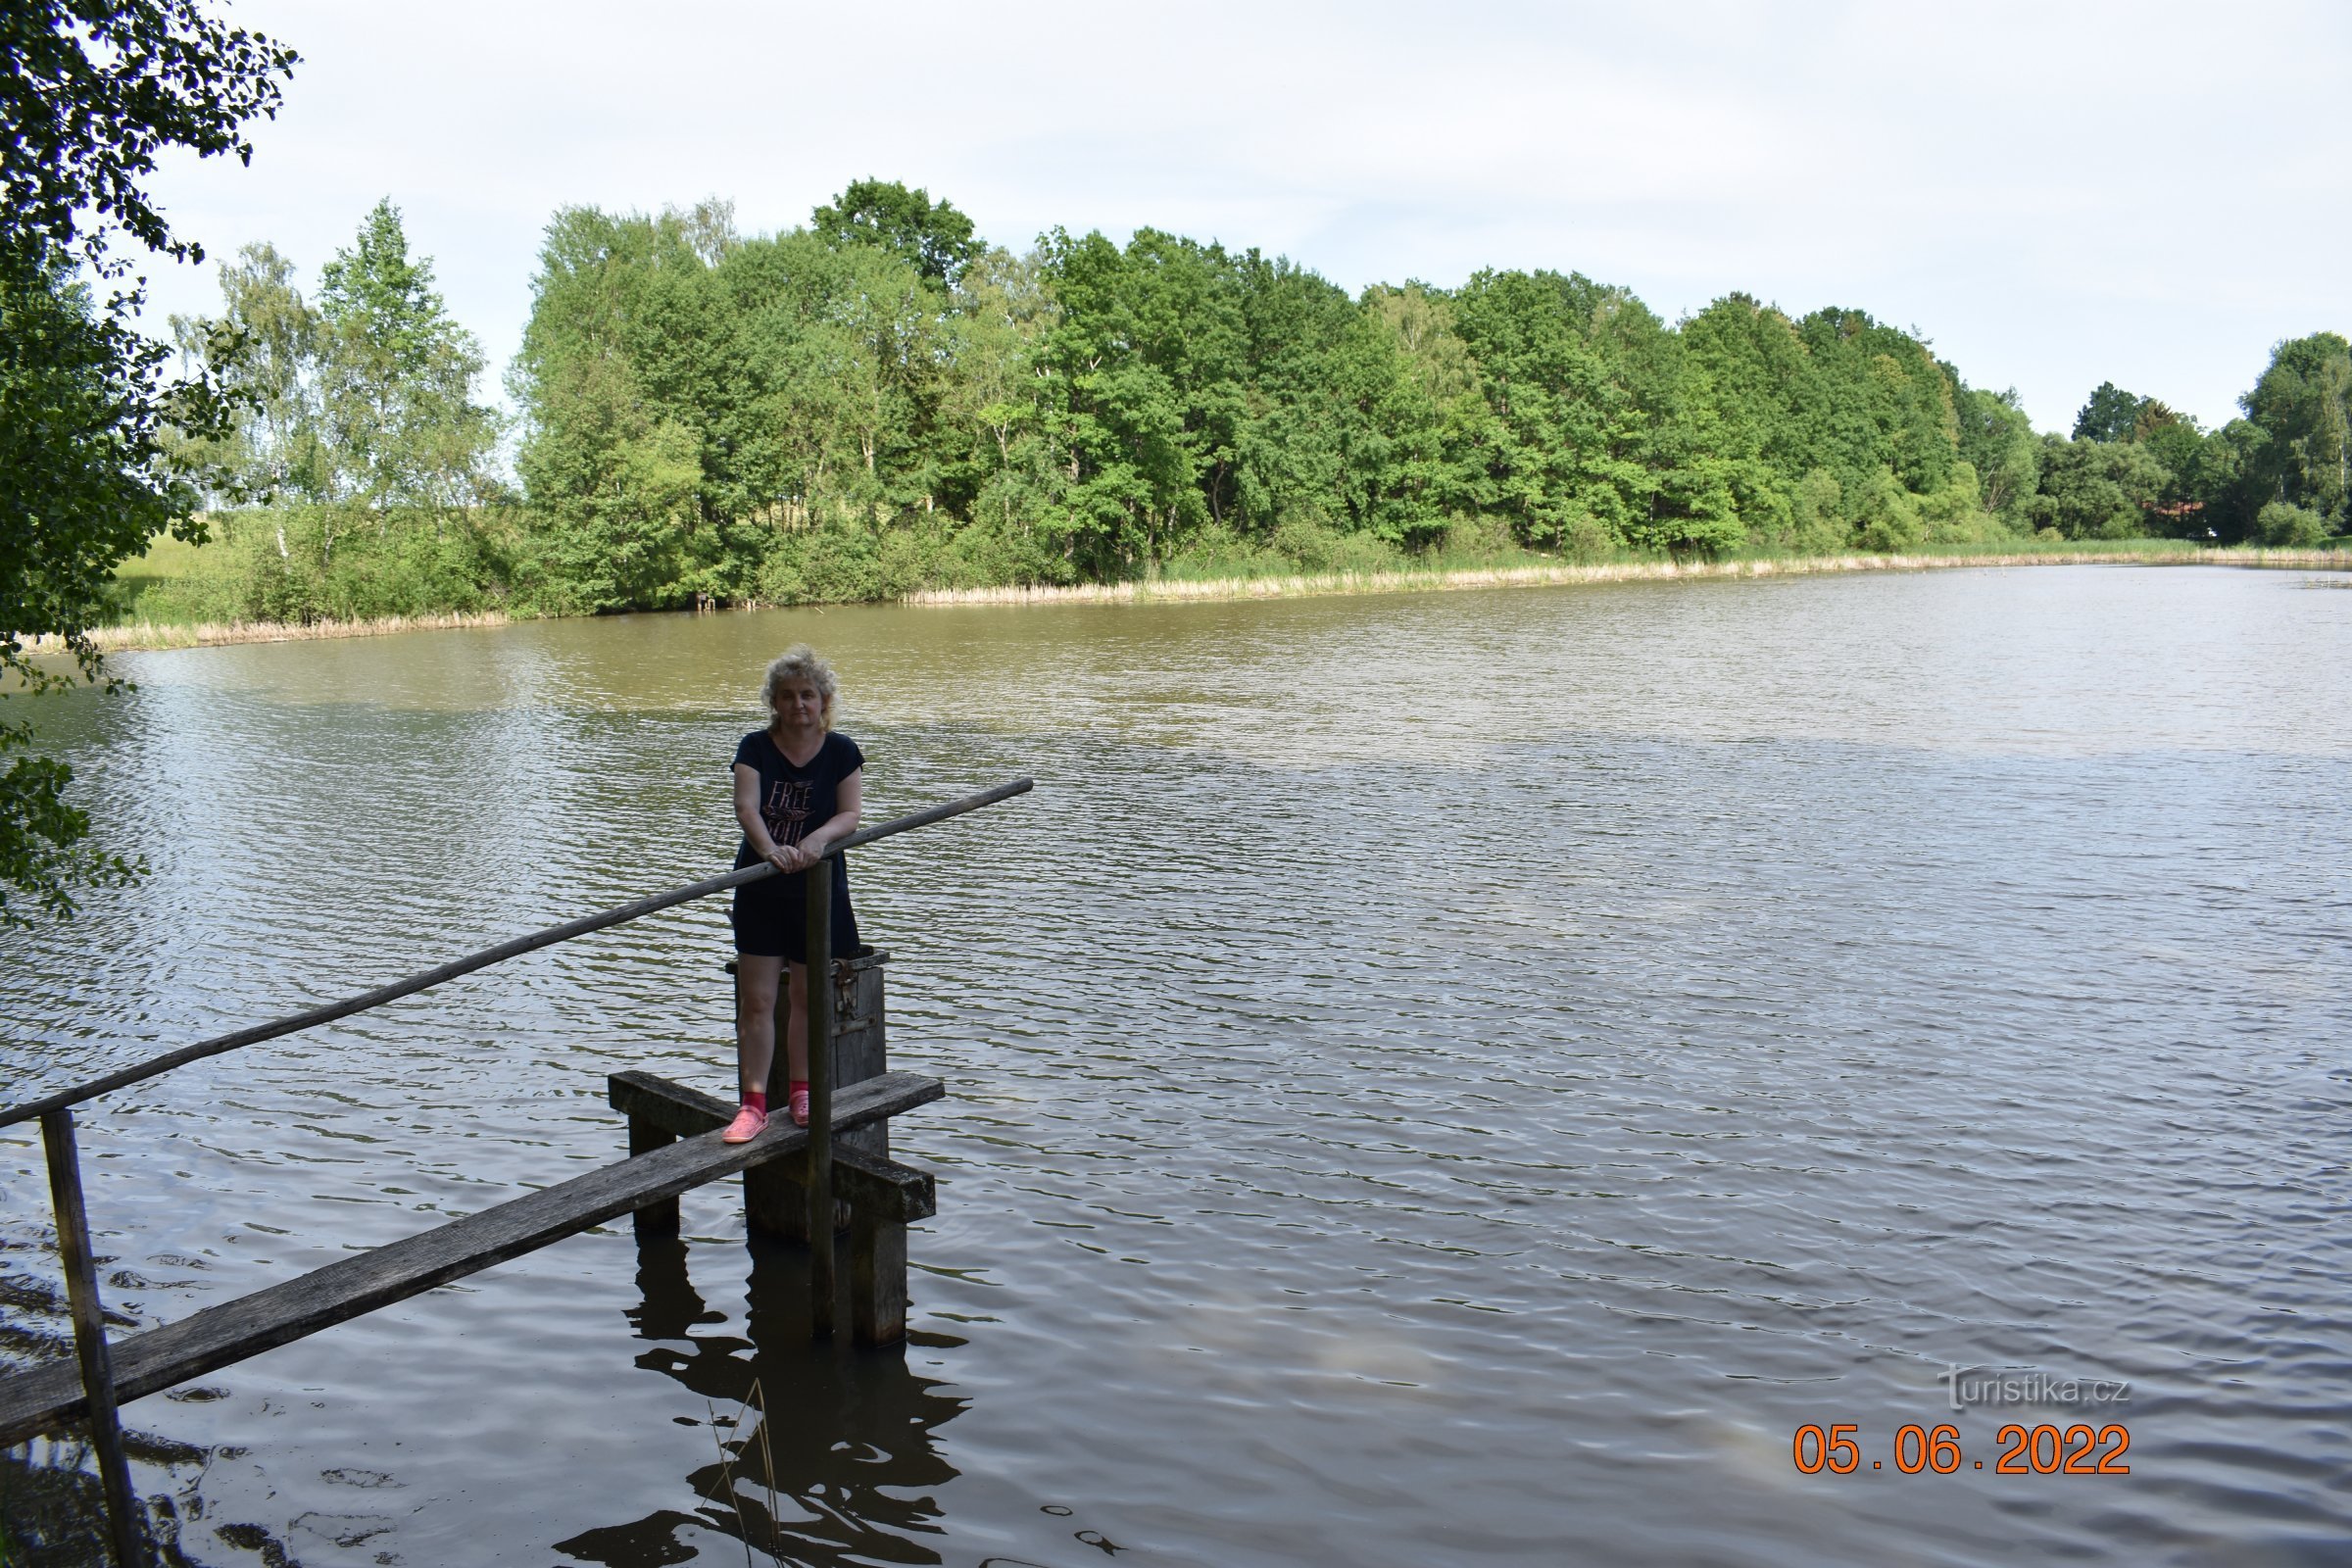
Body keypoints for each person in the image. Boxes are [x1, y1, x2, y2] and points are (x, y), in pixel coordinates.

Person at [724, 646, 863, 1142]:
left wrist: (815, 840)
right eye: (787, 696)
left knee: (807, 996)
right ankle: (753, 1105)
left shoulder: (842, 750)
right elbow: (747, 808)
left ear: (824, 700)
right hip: (761, 884)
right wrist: (770, 852)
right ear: (774, 703)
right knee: (757, 1000)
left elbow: (849, 815)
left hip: (818, 886)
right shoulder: (755, 747)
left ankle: (802, 1093)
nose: (798, 704)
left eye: (808, 694)